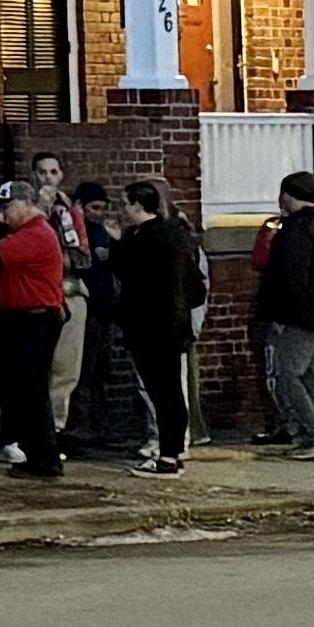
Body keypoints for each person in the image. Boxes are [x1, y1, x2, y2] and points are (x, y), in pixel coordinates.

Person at [105, 178, 202, 474]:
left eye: (127, 204)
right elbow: (196, 287)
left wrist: (116, 241)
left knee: (161, 394)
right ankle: (174, 450)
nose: (125, 209)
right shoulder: (178, 234)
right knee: (172, 391)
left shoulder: (141, 240)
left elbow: (124, 272)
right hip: (175, 325)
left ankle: (168, 457)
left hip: (149, 327)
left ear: (138, 205)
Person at [0, 174, 71, 479]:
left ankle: (45, 458)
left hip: (35, 318)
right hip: (21, 318)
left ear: (23, 204)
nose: (3, 214)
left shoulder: (36, 233)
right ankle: (36, 454)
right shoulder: (26, 232)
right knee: (22, 390)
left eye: (6, 207)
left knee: (33, 390)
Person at [253, 169, 314, 460]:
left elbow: (292, 278)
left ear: (289, 196)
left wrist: (279, 315)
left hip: (297, 317)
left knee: (287, 376)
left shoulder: (296, 230)